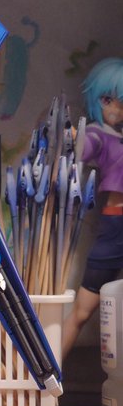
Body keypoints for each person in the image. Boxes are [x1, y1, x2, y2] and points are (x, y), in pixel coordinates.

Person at [62, 57, 123, 358]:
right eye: (108, 99)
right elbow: (84, 147)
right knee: (83, 310)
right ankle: (46, 374)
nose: (116, 108)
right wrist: (72, 137)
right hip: (115, 228)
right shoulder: (99, 135)